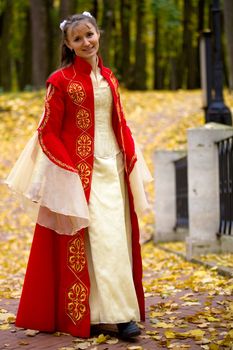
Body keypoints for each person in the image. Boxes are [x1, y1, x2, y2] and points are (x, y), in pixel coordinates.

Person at [6, 11, 152, 339]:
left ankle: (110, 312)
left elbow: (120, 122)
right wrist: (68, 170)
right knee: (100, 239)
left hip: (113, 167)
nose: (86, 42)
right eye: (78, 39)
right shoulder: (60, 82)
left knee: (116, 238)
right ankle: (112, 316)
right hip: (82, 174)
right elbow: (47, 131)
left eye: (90, 35)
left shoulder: (110, 78)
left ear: (98, 34)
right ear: (68, 45)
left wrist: (130, 159)